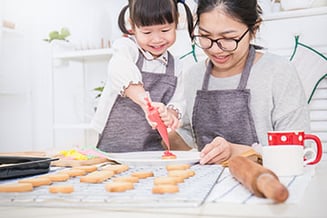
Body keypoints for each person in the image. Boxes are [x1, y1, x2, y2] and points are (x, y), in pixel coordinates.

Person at [170, 0, 310, 164]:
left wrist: (239, 152)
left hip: (264, 184)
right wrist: (164, 131)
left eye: (229, 38)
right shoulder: (194, 75)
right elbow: (188, 138)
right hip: (207, 185)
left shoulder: (278, 71)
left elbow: (298, 152)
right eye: (205, 36)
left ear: (254, 28)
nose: (215, 49)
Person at [91, 0, 194, 152]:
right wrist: (145, 103)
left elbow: (178, 101)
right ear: (133, 27)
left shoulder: (176, 66)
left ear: (176, 22)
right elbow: (119, 69)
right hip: (112, 144)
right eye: (147, 32)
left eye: (165, 30)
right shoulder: (127, 48)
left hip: (151, 147)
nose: (157, 39)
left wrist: (170, 115)